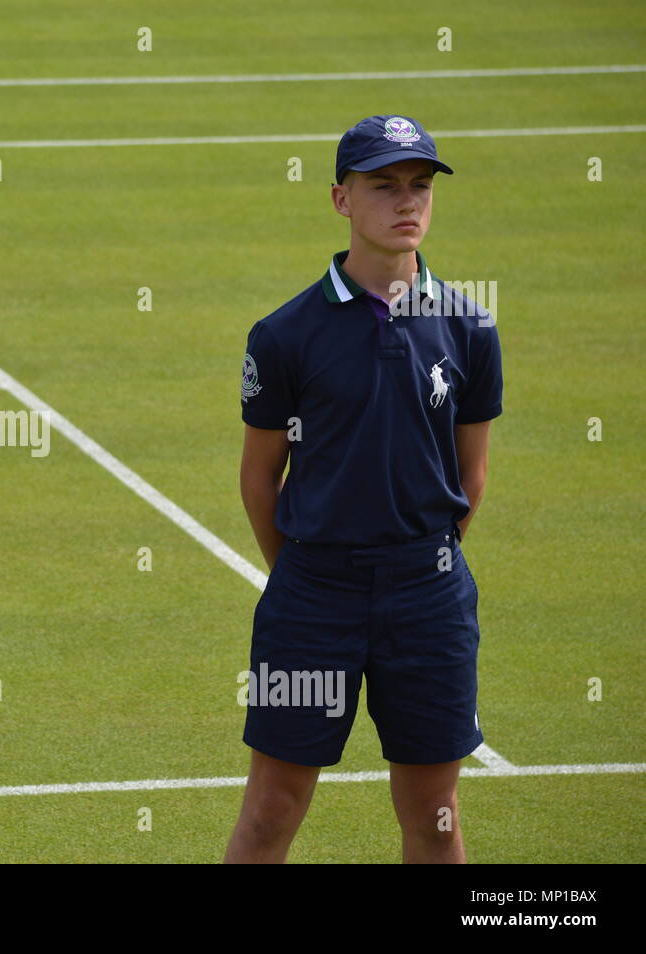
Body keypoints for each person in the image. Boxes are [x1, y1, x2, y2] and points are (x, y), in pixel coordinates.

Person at [224, 115, 503, 863]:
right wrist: (305, 575)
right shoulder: (284, 335)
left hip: (430, 600)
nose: (406, 202)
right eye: (384, 187)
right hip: (313, 601)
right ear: (342, 200)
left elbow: (469, 475)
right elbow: (260, 478)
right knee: (271, 812)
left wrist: (424, 564)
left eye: (419, 187)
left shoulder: (470, 327)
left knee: (434, 810)